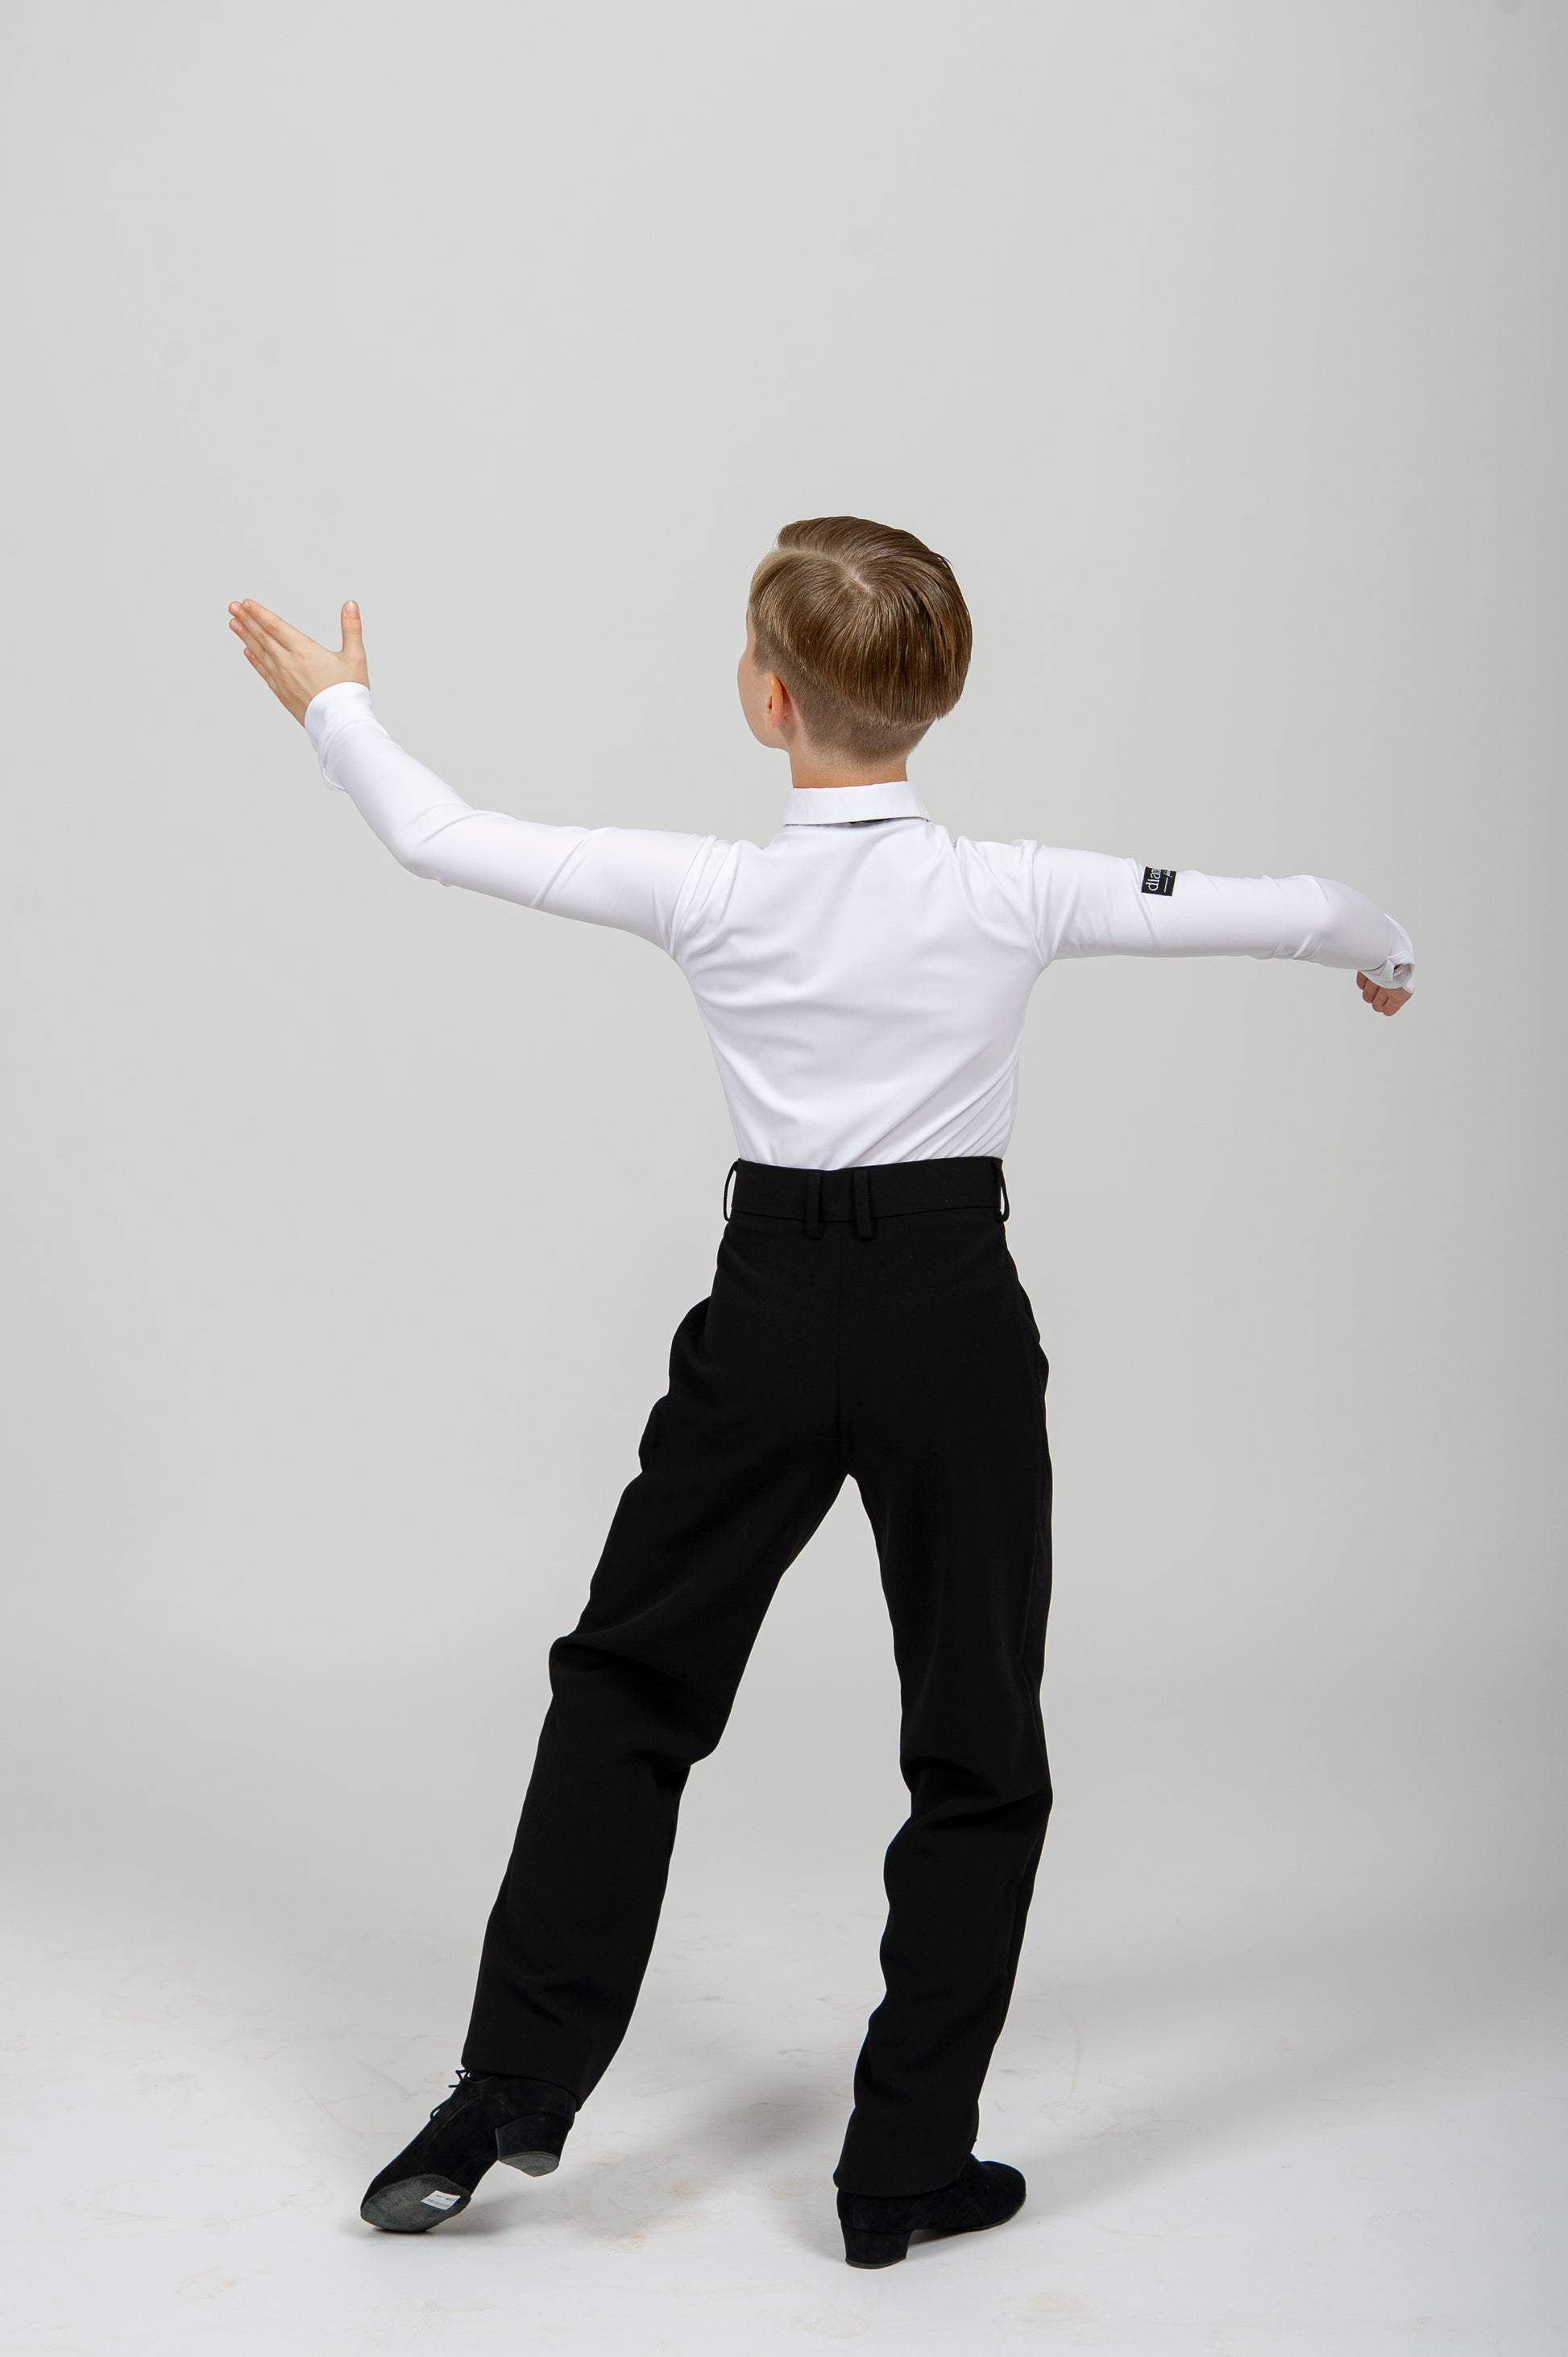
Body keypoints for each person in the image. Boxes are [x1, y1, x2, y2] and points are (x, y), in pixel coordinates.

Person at [227, 517, 1412, 2268]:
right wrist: (1382, 951)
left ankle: (504, 2094)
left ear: (762, 698)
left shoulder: (716, 886)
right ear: (930, 699)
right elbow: (1305, 908)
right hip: (952, 1313)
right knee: (974, 1743)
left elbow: (441, 835)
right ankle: (901, 2165)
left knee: (628, 1683)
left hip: (769, 1313)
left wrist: (337, 707)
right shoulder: (1014, 884)